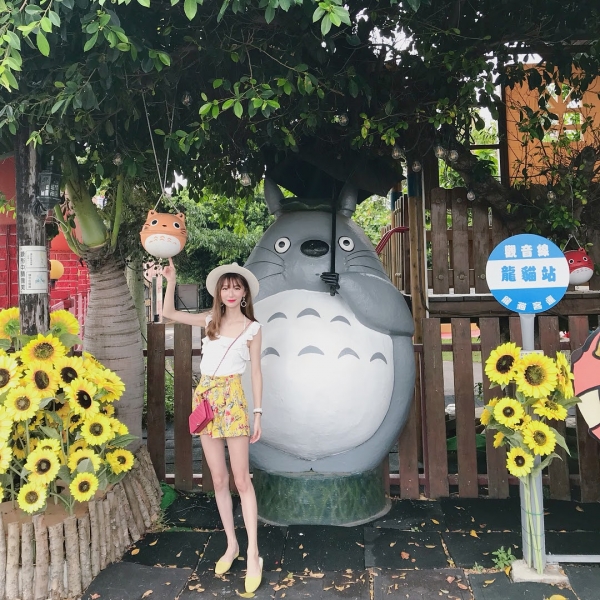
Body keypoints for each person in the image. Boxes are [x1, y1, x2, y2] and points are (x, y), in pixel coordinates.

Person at [162, 259, 263, 593]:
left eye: (236, 287)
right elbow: (168, 313)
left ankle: (253, 553)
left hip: (232, 400)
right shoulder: (209, 320)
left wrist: (258, 413)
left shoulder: (252, 328)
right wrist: (171, 280)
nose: (230, 293)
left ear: (245, 293)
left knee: (241, 480)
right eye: (226, 287)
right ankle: (231, 544)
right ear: (219, 292)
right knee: (218, 479)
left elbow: (257, 372)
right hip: (205, 399)